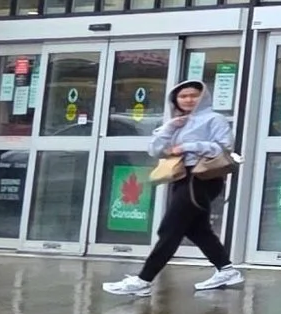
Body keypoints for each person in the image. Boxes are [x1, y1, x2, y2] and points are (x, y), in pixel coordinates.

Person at [103, 80, 242, 297]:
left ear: (203, 97)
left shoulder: (215, 119)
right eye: (183, 96)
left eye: (193, 95)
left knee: (169, 229)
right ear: (175, 99)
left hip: (202, 178)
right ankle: (226, 269)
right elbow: (156, 150)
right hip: (181, 178)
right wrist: (169, 128)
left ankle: (143, 280)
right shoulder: (176, 122)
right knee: (196, 229)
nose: (188, 100)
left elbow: (223, 147)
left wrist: (188, 146)